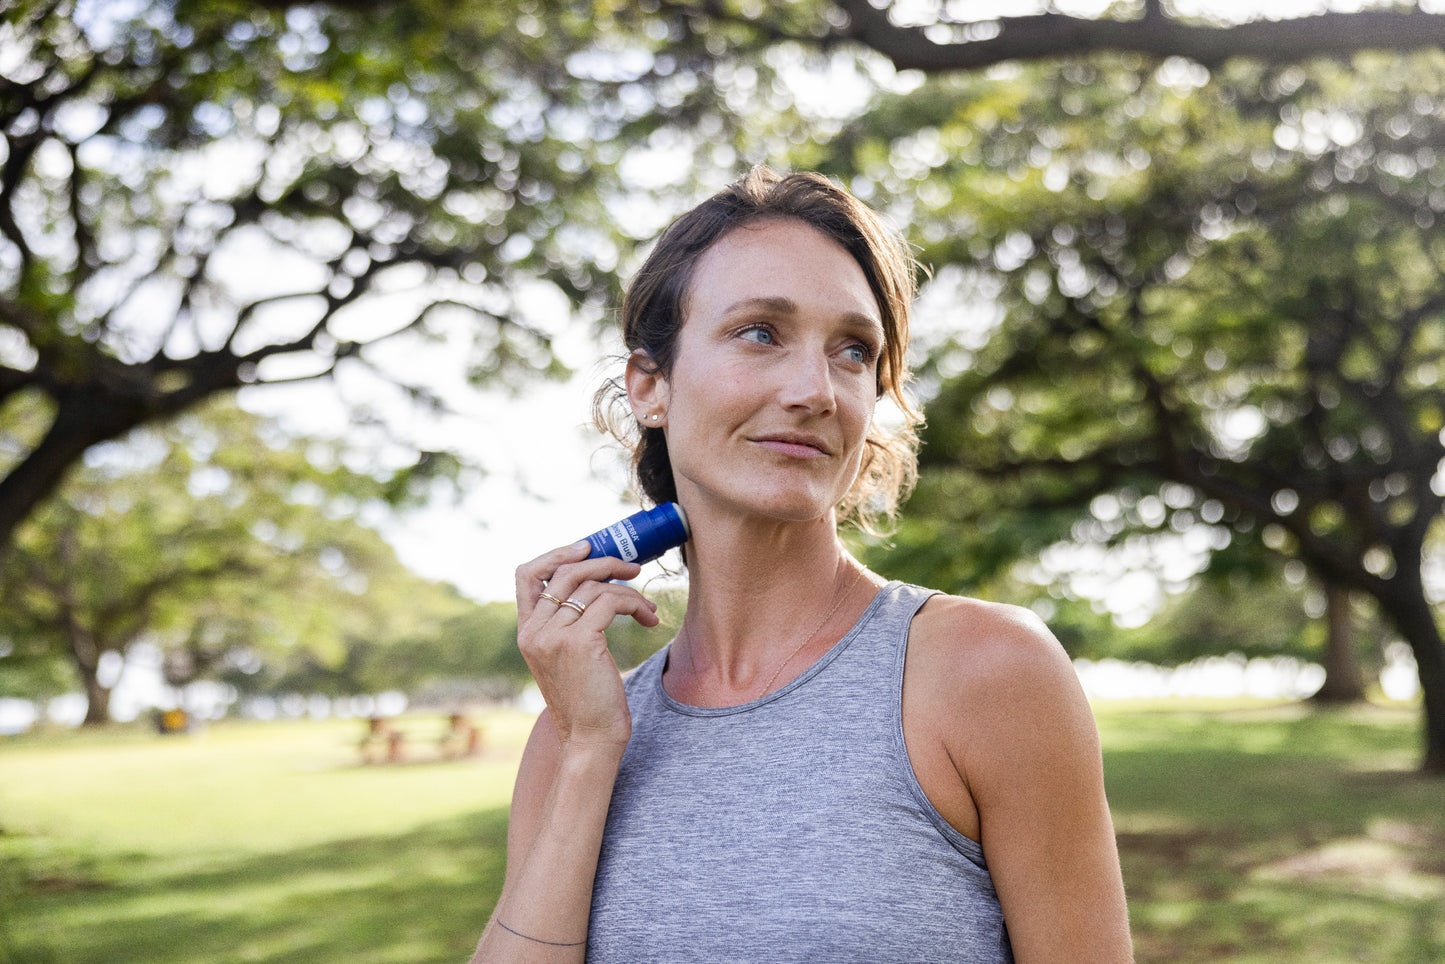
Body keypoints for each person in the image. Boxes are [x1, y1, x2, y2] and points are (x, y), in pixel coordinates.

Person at [471, 167, 1132, 963]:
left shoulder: (988, 671)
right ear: (649, 386)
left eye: (854, 351)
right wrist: (587, 750)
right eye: (759, 332)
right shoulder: (573, 734)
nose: (814, 389)